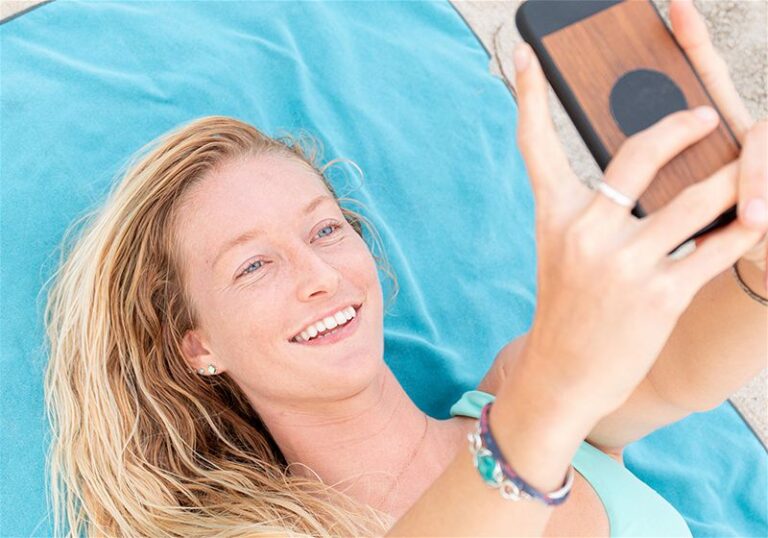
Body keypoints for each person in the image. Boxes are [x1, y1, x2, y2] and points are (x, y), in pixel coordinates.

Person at [44, 1, 766, 536]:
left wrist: (758, 252)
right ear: (198, 346)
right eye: (255, 265)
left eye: (326, 229)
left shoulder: (513, 396)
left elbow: (676, 370)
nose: (319, 274)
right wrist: (551, 394)